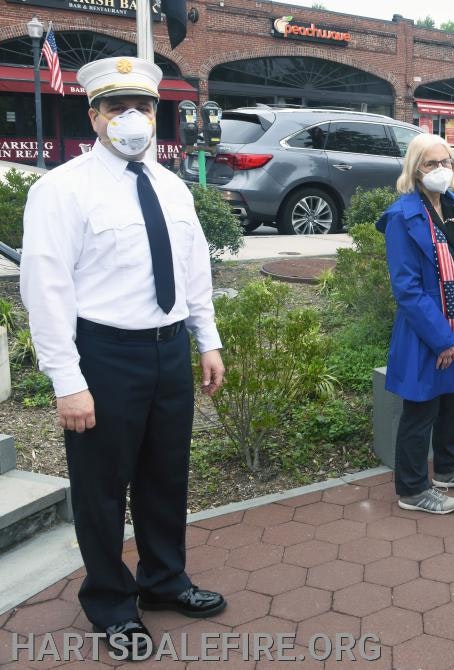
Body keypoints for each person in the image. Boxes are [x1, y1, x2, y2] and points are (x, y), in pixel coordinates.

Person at [20, 57, 226, 660]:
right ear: (94, 116)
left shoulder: (173, 187)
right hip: (104, 354)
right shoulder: (61, 189)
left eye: (142, 105)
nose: (131, 117)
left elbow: (194, 271)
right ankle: (111, 601)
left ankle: (164, 581)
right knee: (102, 488)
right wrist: (67, 380)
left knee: (166, 477)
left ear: (157, 114)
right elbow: (47, 290)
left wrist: (206, 339)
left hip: (168, 353)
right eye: (116, 106)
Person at [376, 133, 454, 514]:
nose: (441, 170)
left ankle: (447, 467)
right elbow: (406, 288)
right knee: (421, 409)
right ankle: (412, 489)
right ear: (414, 169)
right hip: (427, 332)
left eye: (447, 163)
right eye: (431, 163)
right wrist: (443, 339)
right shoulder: (402, 217)